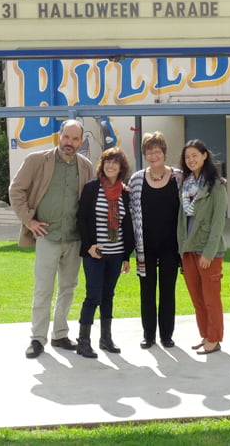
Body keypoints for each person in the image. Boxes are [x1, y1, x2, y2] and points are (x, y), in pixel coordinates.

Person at [9, 119, 94, 358]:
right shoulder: (37, 161)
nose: (70, 143)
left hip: (74, 238)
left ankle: (60, 334)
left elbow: (93, 196)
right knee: (43, 289)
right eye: (66, 137)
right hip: (46, 236)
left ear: (81, 141)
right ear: (59, 135)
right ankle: (37, 338)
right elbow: (16, 190)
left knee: (68, 288)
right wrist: (29, 220)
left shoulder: (86, 166)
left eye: (75, 139)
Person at [76, 147, 134, 358]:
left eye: (115, 162)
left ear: (121, 167)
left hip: (116, 254)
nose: (111, 165)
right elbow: (82, 219)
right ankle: (83, 341)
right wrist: (89, 245)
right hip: (95, 254)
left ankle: (106, 339)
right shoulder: (92, 188)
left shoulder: (124, 193)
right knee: (93, 296)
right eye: (107, 161)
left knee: (108, 296)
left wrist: (126, 256)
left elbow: (127, 225)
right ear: (102, 165)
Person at [128, 132, 182, 349]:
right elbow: (130, 210)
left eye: (157, 151)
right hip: (145, 245)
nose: (153, 156)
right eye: (149, 152)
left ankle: (167, 335)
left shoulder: (178, 177)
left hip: (171, 245)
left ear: (164, 153)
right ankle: (148, 335)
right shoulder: (136, 179)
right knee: (147, 291)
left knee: (168, 291)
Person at [177, 139, 227, 355]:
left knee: (211, 299)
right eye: (187, 157)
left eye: (195, 155)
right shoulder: (185, 183)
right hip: (188, 248)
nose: (191, 160)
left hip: (207, 250)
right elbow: (182, 219)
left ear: (204, 156)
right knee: (197, 299)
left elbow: (218, 221)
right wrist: (181, 248)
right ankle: (206, 335)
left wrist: (209, 252)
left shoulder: (216, 185)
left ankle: (214, 339)